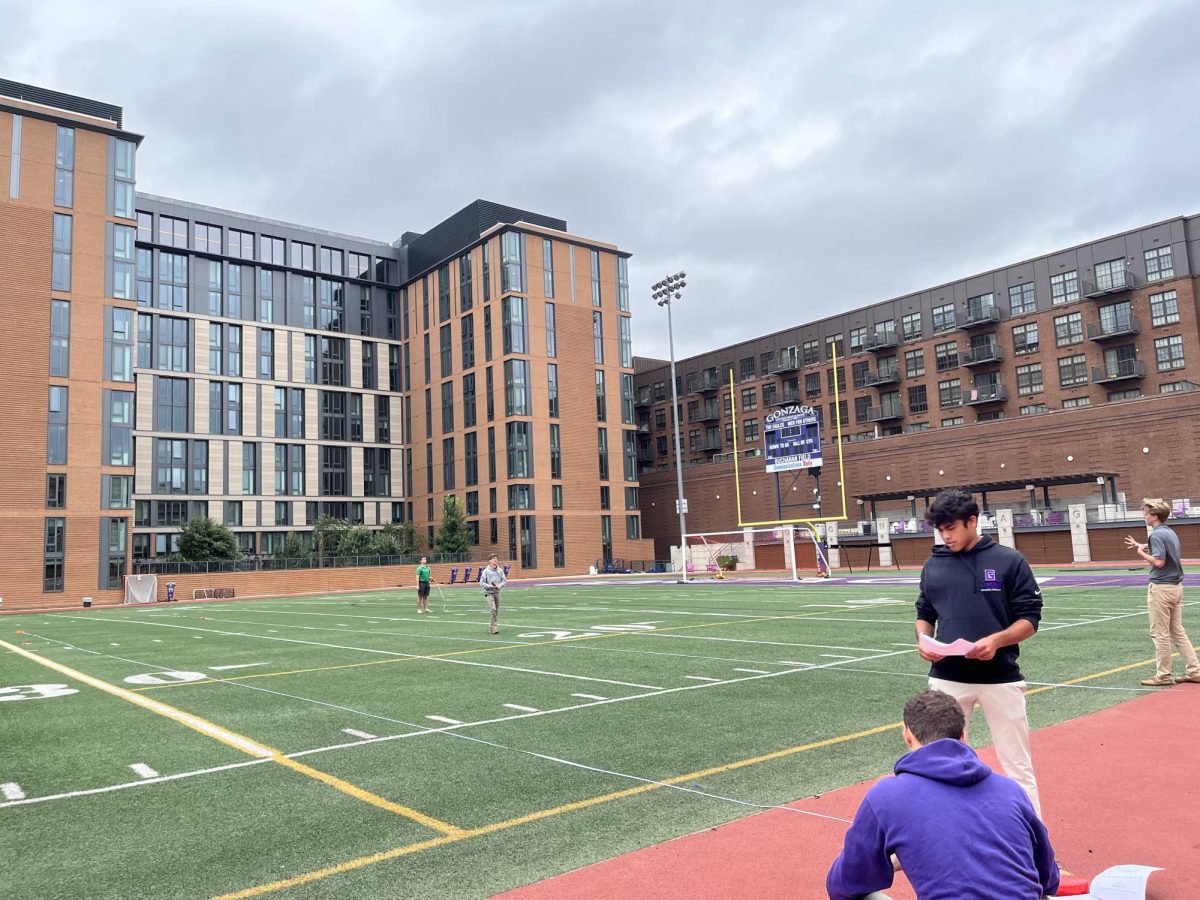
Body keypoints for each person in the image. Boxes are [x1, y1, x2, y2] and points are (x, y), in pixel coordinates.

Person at [826, 690, 1059, 900]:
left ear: (907, 734)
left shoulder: (885, 795)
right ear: (964, 735)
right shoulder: (1010, 790)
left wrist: (889, 862)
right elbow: (1048, 880)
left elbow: (844, 885)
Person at [915, 488, 1044, 815]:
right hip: (947, 681)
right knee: (941, 765)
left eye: (951, 528)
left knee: (1017, 766)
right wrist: (923, 639)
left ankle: (1031, 842)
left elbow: (1030, 618)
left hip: (1000, 678)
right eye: (940, 530)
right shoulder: (933, 564)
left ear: (972, 521)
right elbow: (925, 612)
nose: (945, 536)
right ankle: (949, 836)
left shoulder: (1008, 560)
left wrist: (996, 641)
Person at [1124, 498, 1200, 686]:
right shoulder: (1169, 532)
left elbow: (1159, 562)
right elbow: (1163, 551)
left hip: (1161, 588)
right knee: (1178, 632)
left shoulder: (1156, 535)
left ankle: (1163, 675)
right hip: (1176, 588)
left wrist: (1141, 553)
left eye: (1146, 513)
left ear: (1155, 516)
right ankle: (1194, 671)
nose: (1144, 516)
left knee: (1160, 634)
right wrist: (1141, 546)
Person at [480, 554, 506, 634]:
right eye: (493, 558)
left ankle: (491, 627)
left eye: (496, 558)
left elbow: (504, 580)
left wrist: (500, 586)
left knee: (496, 611)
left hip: (497, 593)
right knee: (493, 609)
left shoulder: (500, 570)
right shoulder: (486, 571)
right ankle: (495, 628)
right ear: (490, 561)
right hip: (488, 593)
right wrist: (490, 586)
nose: (495, 560)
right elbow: (481, 583)